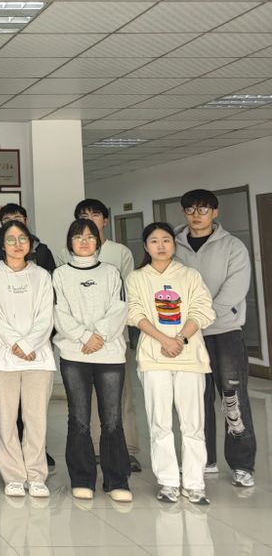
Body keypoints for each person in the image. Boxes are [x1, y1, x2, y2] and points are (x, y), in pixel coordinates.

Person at [128, 222, 216, 504]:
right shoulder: (137, 278)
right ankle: (167, 481)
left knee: (193, 423)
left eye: (166, 240)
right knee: (160, 422)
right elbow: (135, 313)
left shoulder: (190, 275)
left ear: (174, 244)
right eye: (154, 241)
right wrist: (164, 340)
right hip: (154, 358)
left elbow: (203, 310)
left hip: (189, 357)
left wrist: (179, 338)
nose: (161, 246)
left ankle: (194, 483)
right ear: (146, 246)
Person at [174, 189, 256, 488]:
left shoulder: (233, 246)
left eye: (204, 209)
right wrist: (186, 326)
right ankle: (204, 459)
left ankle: (242, 464)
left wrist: (199, 319)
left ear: (215, 212)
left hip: (224, 332)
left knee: (233, 398)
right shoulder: (173, 245)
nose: (197, 215)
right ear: (184, 212)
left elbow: (234, 291)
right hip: (187, 336)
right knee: (197, 399)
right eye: (190, 209)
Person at [59, 198, 141, 472]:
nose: (84, 240)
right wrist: (85, 336)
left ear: (104, 222)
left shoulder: (117, 259)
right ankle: (90, 458)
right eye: (83, 216)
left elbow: (124, 301)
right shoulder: (61, 266)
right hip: (77, 346)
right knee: (81, 411)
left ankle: (125, 455)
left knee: (116, 407)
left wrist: (101, 335)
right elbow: (59, 308)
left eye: (95, 215)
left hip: (112, 344)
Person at [0, 220, 56, 499]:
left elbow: (46, 316)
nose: (17, 244)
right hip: (3, 358)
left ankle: (36, 475)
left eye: (22, 239)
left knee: (36, 420)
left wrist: (28, 345)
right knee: (5, 420)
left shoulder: (42, 276)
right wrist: (16, 344)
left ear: (30, 243)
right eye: (11, 239)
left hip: (39, 358)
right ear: (1, 245)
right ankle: (13, 476)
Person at [0, 203, 56, 274]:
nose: (13, 223)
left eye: (18, 219)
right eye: (7, 220)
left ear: (26, 221)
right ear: (1, 223)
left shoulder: (42, 251)